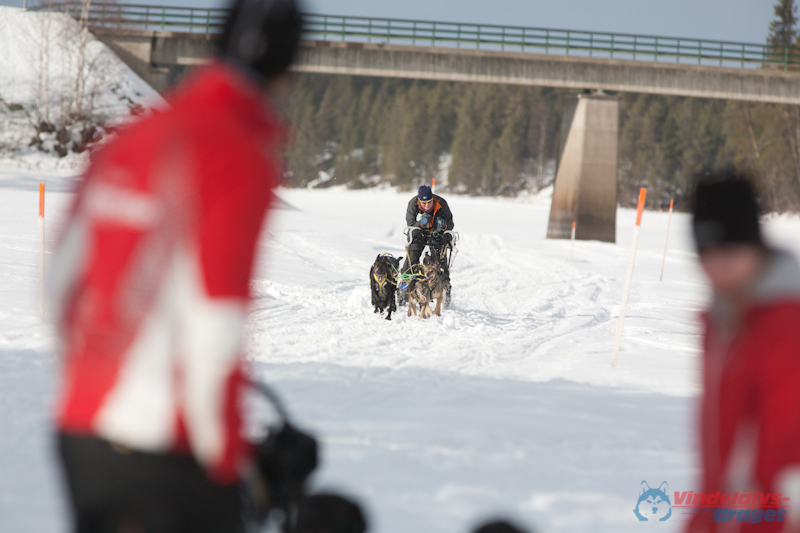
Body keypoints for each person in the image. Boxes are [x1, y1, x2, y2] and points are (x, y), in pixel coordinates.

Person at [50, 0, 303, 531]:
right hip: (168, 448)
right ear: (283, 70)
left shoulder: (132, 135)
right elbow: (216, 319)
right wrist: (230, 458)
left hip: (81, 433)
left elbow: (60, 282)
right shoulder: (237, 149)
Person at [686, 174, 800, 533]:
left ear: (755, 245)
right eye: (706, 253)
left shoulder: (786, 325)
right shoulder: (724, 322)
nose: (718, 265)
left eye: (731, 250)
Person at [403, 184, 455, 272]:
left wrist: (444, 226)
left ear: (433, 199)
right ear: (419, 201)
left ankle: (441, 276)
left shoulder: (442, 204)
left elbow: (450, 224)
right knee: (413, 249)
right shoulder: (412, 204)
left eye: (429, 202)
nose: (427, 206)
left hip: (437, 234)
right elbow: (410, 225)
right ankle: (408, 275)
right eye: (423, 203)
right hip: (419, 234)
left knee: (438, 251)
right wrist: (420, 224)